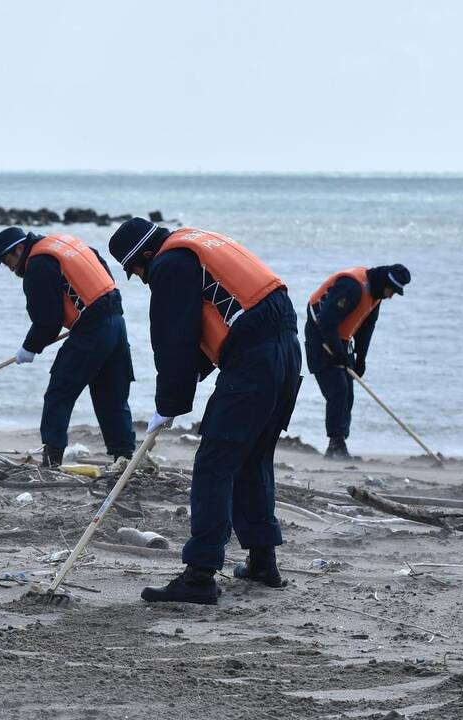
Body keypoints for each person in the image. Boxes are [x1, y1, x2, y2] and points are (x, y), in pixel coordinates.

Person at [108, 218, 302, 604]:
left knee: (215, 464)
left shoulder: (170, 263)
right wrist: (177, 395)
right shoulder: (200, 243)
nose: (142, 280)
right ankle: (264, 562)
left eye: (136, 272)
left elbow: (174, 339)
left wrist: (168, 404)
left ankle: (199, 576)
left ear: (145, 255)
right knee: (253, 458)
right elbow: (218, 327)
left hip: (253, 362)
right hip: (286, 349)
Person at [0, 227, 135, 466]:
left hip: (93, 330)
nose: (10, 268)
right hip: (116, 321)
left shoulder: (38, 264)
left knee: (60, 392)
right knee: (112, 396)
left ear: (19, 249)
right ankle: (124, 457)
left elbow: (48, 320)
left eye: (8, 260)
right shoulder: (63, 243)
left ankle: (52, 457)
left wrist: (29, 347)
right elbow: (99, 264)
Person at [304, 264, 411, 459]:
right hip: (320, 337)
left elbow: (366, 329)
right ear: (384, 283)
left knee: (348, 393)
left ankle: (338, 443)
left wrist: (360, 359)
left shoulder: (376, 296)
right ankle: (336, 443)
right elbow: (326, 322)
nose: (391, 296)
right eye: (392, 290)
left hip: (341, 340)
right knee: (338, 390)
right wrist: (337, 353)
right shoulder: (351, 287)